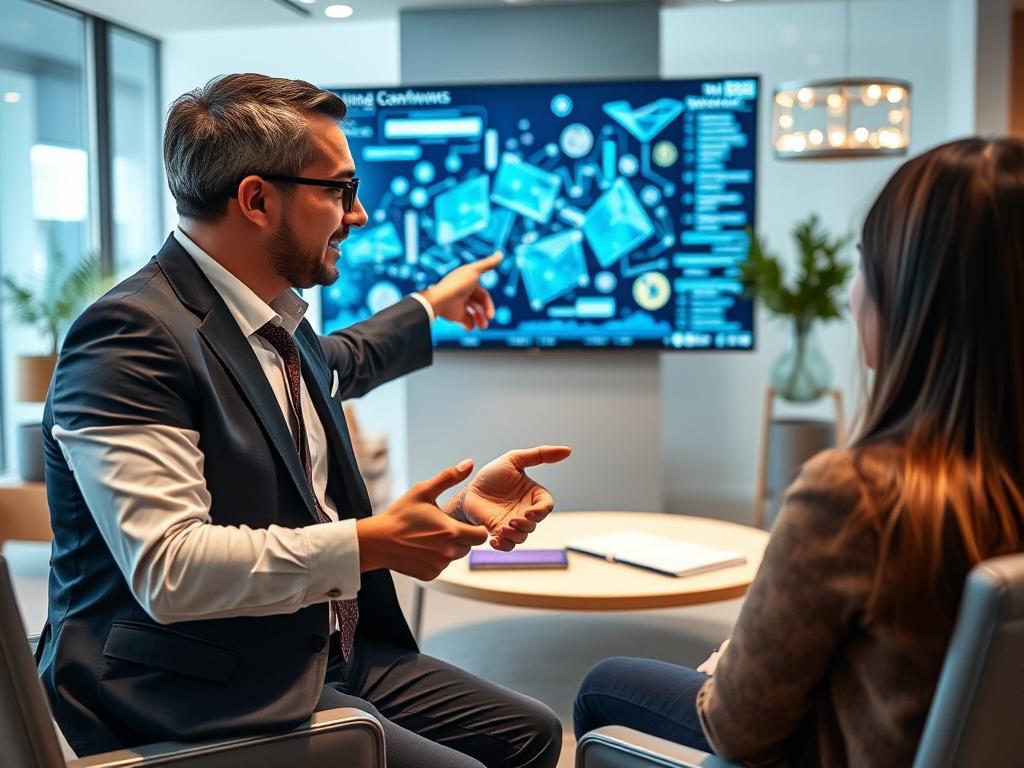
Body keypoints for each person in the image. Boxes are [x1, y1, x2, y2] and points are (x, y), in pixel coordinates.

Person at [37, 73, 570, 768]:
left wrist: (433, 304)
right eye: (339, 191)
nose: (360, 215)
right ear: (257, 199)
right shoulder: (129, 336)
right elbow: (169, 568)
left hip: (311, 647)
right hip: (188, 684)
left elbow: (342, 362)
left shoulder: (272, 327)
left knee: (530, 734)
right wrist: (369, 544)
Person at [573, 137, 1024, 767]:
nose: (851, 295)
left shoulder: (856, 496)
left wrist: (736, 662)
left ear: (909, 296)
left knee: (604, 684)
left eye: (864, 267)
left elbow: (738, 730)